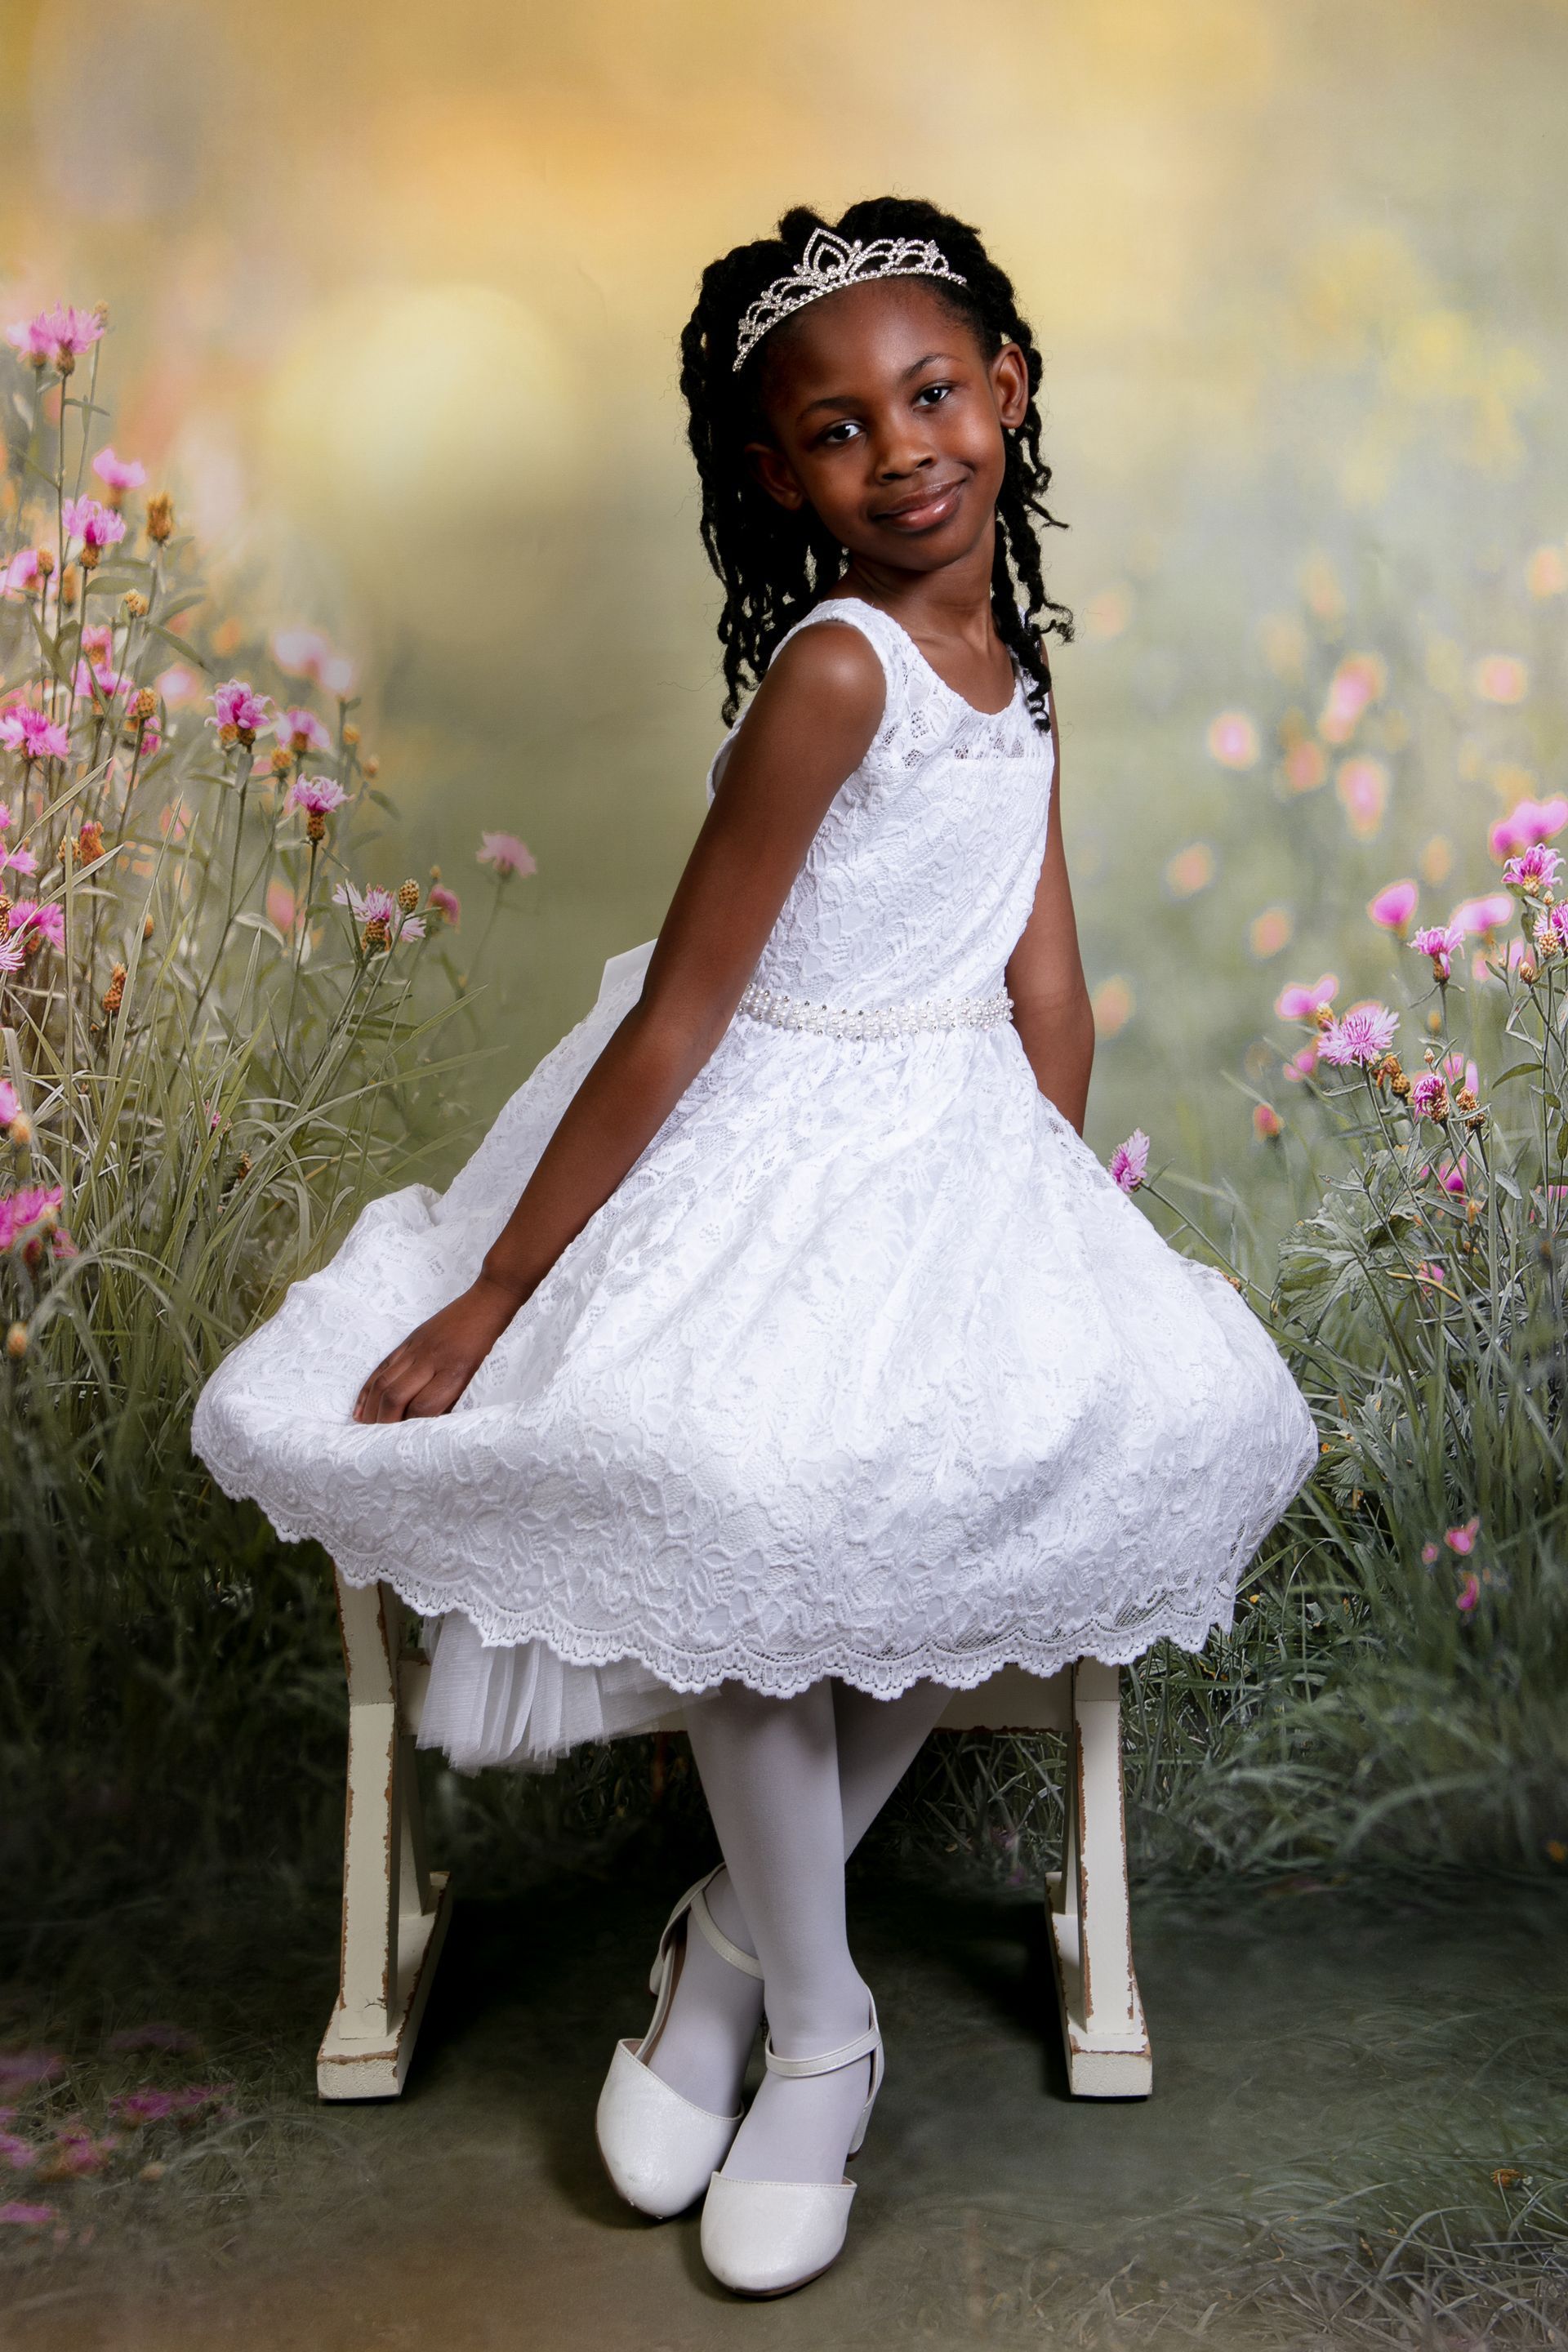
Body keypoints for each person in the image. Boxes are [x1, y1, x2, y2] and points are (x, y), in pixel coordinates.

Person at [191, 196, 1318, 2298]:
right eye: (833, 430)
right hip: (766, 1132)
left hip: (952, 1144)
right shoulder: (833, 672)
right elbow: (687, 1010)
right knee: (742, 1476)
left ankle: (726, 1936)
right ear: (769, 478)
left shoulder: (1018, 659)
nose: (901, 449)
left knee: (1032, 1445)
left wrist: (1042, 1214)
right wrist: (503, 1291)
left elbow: (1046, 980)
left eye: (932, 393)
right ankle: (825, 2024)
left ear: (1010, 388)